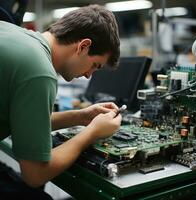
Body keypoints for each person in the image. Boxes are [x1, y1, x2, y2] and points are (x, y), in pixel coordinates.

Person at [0, 4, 121, 199]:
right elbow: (35, 174)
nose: (89, 75)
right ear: (83, 46)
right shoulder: (39, 71)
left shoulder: (15, 33)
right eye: (95, 65)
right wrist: (92, 133)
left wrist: (81, 117)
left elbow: (26, 121)